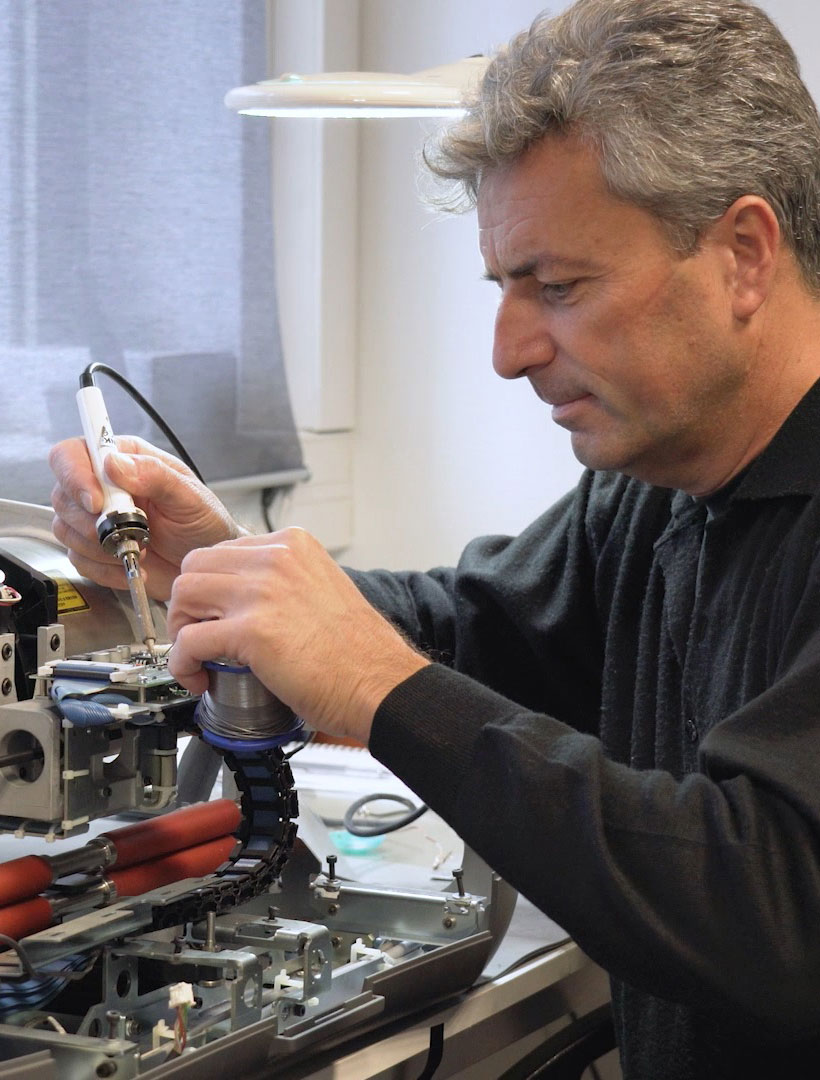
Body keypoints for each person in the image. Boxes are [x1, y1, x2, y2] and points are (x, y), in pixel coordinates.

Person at [48, 1, 820, 1076]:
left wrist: (378, 684)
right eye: (505, 287)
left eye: (557, 286)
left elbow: (777, 908)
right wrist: (237, 576)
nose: (508, 352)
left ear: (742, 254)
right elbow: (477, 628)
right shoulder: (662, 482)